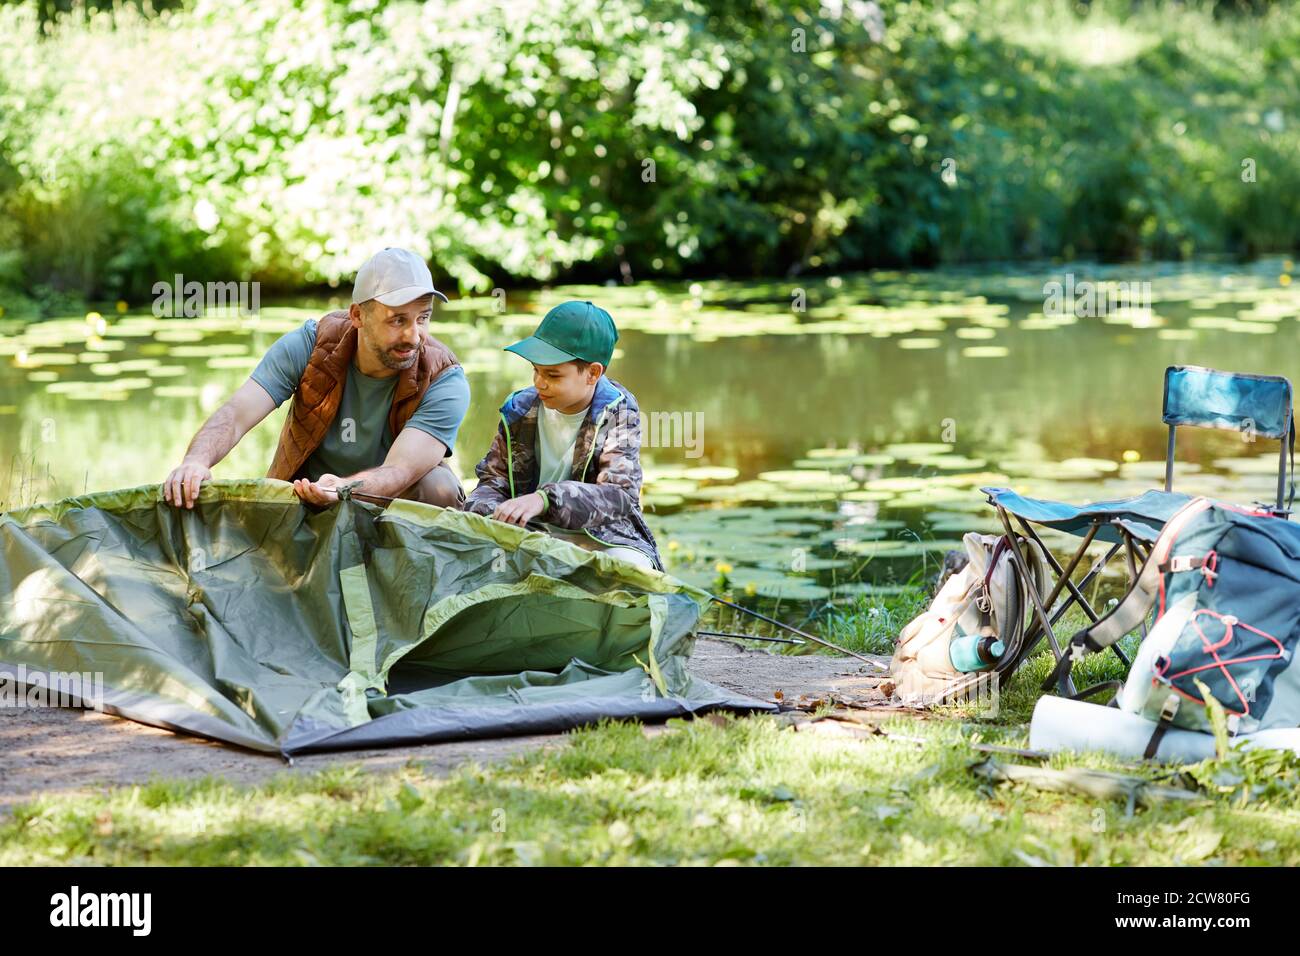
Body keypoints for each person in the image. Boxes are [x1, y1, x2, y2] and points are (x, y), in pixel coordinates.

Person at [163, 248, 470, 509]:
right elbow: (236, 414)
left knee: (438, 486)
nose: (413, 335)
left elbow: (399, 471)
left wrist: (342, 489)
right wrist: (196, 461)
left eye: (423, 318)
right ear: (357, 316)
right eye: (397, 320)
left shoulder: (444, 379)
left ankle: (403, 577)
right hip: (306, 499)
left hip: (390, 508)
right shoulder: (311, 345)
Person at [462, 300, 662, 570]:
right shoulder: (520, 409)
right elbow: (493, 480)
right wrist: (485, 512)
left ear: (592, 373)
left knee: (632, 568)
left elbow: (620, 496)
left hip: (599, 535)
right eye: (535, 370)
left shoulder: (617, 412)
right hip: (529, 531)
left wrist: (545, 500)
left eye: (553, 375)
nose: (539, 383)